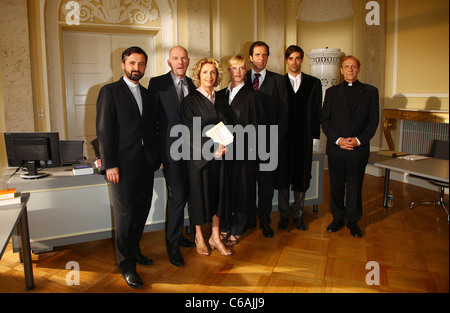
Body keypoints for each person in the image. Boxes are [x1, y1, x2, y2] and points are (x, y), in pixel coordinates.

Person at [96, 46, 160, 289]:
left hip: (145, 165)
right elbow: (104, 131)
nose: (137, 68)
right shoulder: (109, 92)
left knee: (141, 211)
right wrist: (109, 164)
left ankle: (134, 251)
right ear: (123, 65)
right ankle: (127, 265)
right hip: (120, 168)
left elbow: (151, 129)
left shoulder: (147, 95)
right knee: (125, 217)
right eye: (132, 63)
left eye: (141, 63)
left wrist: (155, 157)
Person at [320, 56, 379, 238]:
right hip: (337, 148)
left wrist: (358, 140)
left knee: (354, 186)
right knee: (336, 185)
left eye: (353, 66)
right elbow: (325, 120)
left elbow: (373, 121)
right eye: (347, 67)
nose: (350, 70)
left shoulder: (370, 92)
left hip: (358, 149)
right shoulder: (331, 92)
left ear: (359, 69)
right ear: (341, 70)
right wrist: (338, 140)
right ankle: (337, 218)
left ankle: (353, 221)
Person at [148, 46, 196, 267]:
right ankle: (172, 245)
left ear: (188, 61)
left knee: (186, 195)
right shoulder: (157, 84)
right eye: (175, 58)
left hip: (194, 153)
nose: (180, 62)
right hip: (170, 152)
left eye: (183, 58)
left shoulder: (194, 85)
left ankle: (181, 235)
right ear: (169, 62)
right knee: (176, 196)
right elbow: (150, 123)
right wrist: (155, 154)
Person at [181, 58, 233, 256]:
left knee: (217, 196)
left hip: (220, 157)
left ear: (217, 75)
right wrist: (211, 150)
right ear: (198, 75)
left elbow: (228, 124)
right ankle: (199, 237)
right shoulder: (190, 101)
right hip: (199, 158)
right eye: (205, 72)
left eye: (212, 72)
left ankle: (215, 236)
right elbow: (189, 131)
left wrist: (227, 144)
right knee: (198, 197)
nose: (209, 76)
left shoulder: (221, 99)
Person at [276, 45, 322, 230]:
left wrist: (315, 137)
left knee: (301, 176)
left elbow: (316, 110)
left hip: (303, 137)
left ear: (302, 60)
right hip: (283, 138)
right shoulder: (278, 82)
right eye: (291, 58)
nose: (294, 62)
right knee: (283, 176)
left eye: (297, 58)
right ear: (286, 60)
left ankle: (299, 214)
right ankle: (284, 215)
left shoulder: (313, 83)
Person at [245, 41, 289, 238]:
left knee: (266, 185)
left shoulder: (279, 81)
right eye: (257, 54)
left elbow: (284, 113)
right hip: (244, 144)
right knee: (246, 184)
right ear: (250, 57)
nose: (261, 58)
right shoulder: (241, 78)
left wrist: (277, 139)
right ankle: (247, 219)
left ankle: (265, 221)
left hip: (269, 143)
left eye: (265, 55)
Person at [218, 55, 259, 245]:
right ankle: (225, 225)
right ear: (228, 71)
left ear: (246, 70)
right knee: (226, 191)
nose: (238, 72)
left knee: (243, 191)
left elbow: (256, 128)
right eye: (234, 68)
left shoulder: (252, 96)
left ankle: (238, 227)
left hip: (244, 153)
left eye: (242, 68)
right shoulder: (220, 95)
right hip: (224, 153)